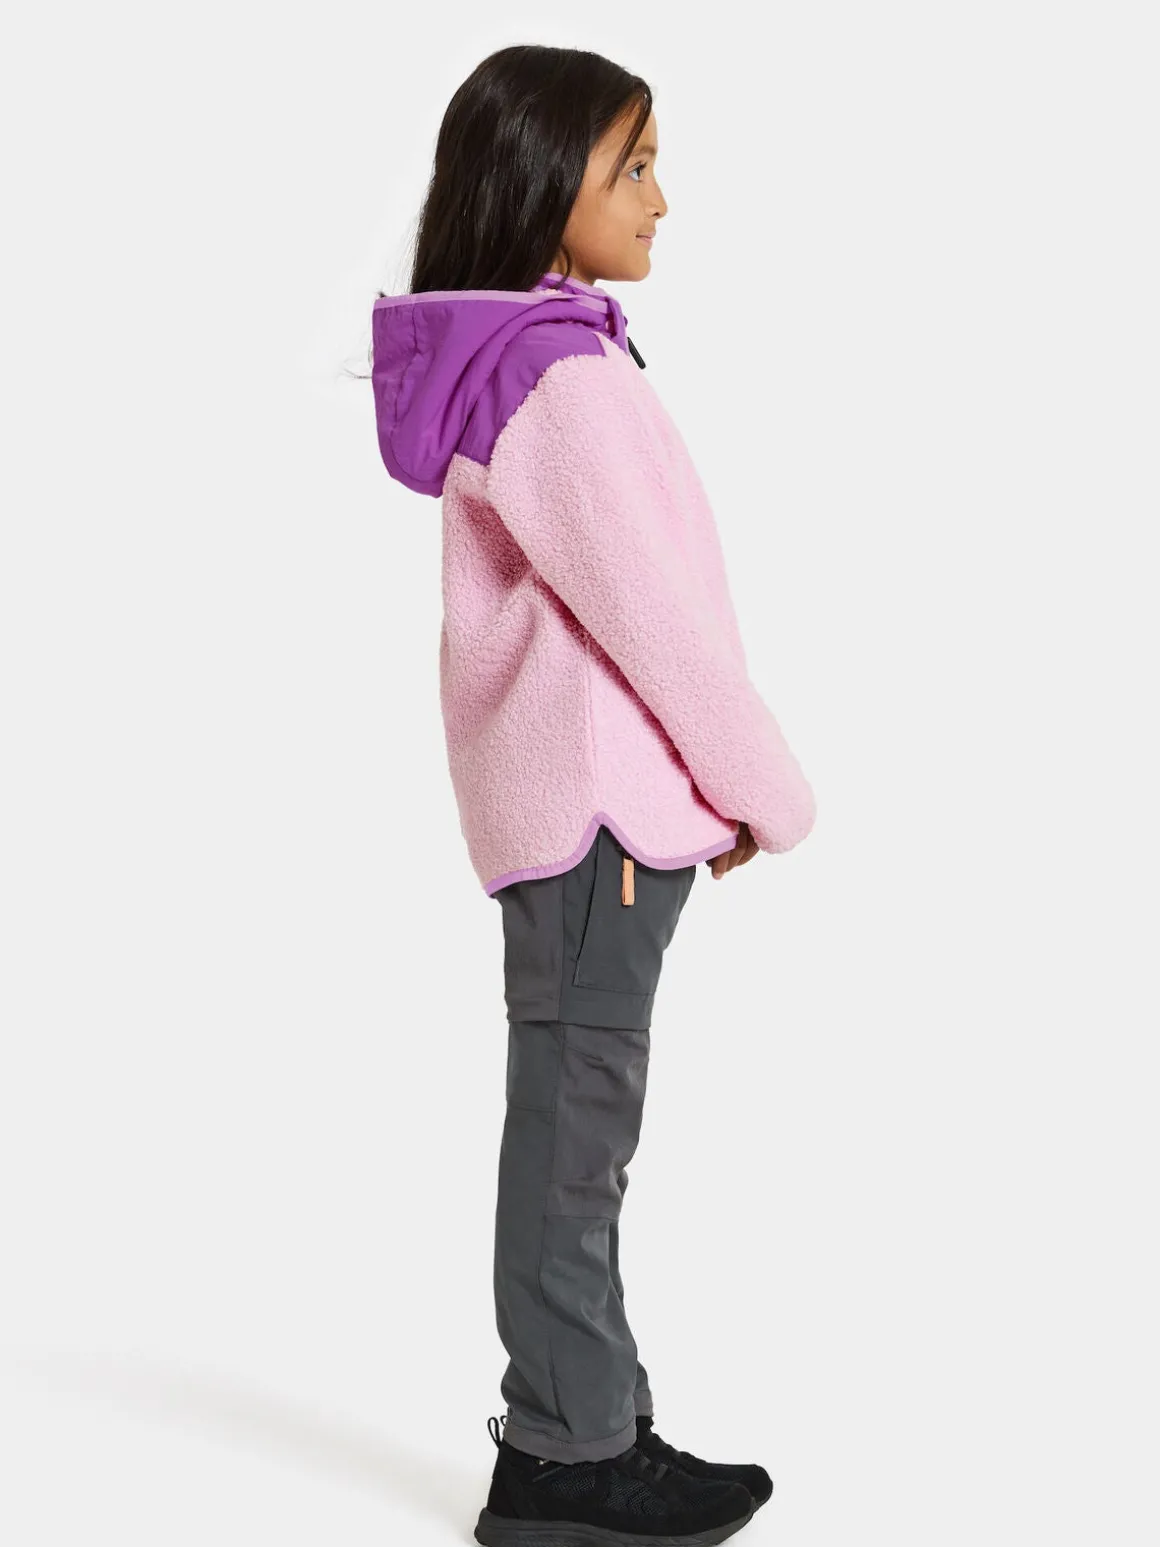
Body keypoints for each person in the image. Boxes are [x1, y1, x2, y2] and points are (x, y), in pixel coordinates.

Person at [369, 43, 816, 1547]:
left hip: (594, 819)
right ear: (548, 179)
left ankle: (591, 1421)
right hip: (598, 823)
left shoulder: (547, 358)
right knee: (576, 1138)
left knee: (579, 1129)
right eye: (634, 166)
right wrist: (763, 789)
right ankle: (565, 1461)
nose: (660, 198)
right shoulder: (557, 379)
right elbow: (656, 621)